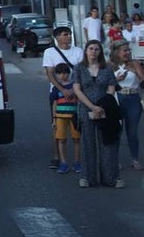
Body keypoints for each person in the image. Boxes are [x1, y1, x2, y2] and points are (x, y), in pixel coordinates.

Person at [72, 40, 124, 189]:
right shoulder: (79, 68)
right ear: (86, 51)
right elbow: (77, 89)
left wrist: (102, 106)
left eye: (96, 49)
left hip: (104, 108)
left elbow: (111, 87)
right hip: (86, 108)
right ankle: (87, 177)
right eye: (91, 49)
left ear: (100, 52)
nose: (93, 52)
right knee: (87, 142)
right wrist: (92, 107)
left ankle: (110, 178)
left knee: (107, 142)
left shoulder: (106, 68)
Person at [42, 26, 83, 169]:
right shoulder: (49, 52)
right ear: (57, 37)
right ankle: (57, 157)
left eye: (69, 34)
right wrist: (62, 90)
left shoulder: (78, 51)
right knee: (57, 125)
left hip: (76, 91)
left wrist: (73, 89)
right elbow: (50, 73)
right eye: (65, 34)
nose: (69, 37)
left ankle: (78, 160)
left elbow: (81, 71)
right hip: (57, 92)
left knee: (76, 124)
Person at [110, 40, 143, 172]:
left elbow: (143, 81)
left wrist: (136, 73)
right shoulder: (109, 65)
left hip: (133, 98)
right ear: (117, 52)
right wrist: (116, 80)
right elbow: (103, 83)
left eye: (129, 50)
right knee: (117, 131)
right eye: (125, 50)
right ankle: (114, 160)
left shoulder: (134, 63)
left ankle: (135, 159)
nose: (128, 53)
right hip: (117, 98)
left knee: (132, 132)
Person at [48, 63, 82, 174]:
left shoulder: (75, 86)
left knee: (76, 139)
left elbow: (80, 100)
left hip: (74, 116)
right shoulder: (56, 88)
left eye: (65, 73)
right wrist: (54, 119)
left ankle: (77, 162)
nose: (62, 76)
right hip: (60, 117)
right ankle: (63, 163)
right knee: (61, 139)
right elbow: (54, 103)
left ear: (69, 73)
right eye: (59, 73)